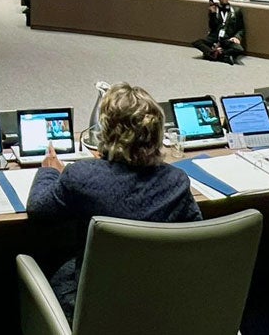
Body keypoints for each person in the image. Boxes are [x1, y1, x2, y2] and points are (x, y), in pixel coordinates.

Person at [27, 83, 201, 321]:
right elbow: (196, 237)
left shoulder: (81, 176)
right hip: (161, 303)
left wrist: (50, 171)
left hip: (92, 309)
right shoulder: (177, 181)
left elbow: (38, 210)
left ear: (106, 132)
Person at [193, 0, 244, 64]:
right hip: (214, 38)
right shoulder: (214, 9)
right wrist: (213, 13)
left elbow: (241, 28)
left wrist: (237, 37)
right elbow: (212, 26)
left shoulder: (236, 11)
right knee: (197, 43)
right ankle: (224, 56)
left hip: (227, 39)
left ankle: (212, 54)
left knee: (239, 49)